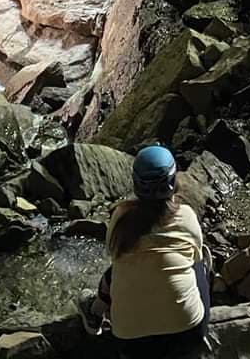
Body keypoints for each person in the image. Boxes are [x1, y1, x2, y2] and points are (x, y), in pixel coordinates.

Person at [78, 145, 210, 355]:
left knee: (118, 270)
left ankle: (95, 313)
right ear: (173, 181)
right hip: (188, 334)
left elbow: (116, 256)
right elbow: (196, 255)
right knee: (198, 262)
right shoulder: (186, 215)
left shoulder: (121, 216)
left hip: (131, 342)